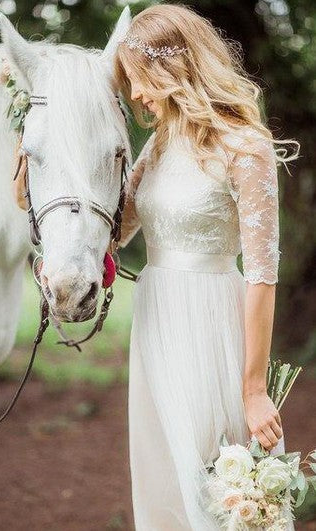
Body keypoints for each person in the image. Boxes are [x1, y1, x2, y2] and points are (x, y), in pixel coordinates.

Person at [113, 4, 299, 530]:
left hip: (213, 323)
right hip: (156, 325)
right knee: (165, 479)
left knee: (216, 485)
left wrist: (254, 387)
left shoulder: (246, 148)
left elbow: (263, 274)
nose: (136, 96)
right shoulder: (157, 146)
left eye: (140, 79)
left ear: (172, 69)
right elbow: (115, 232)